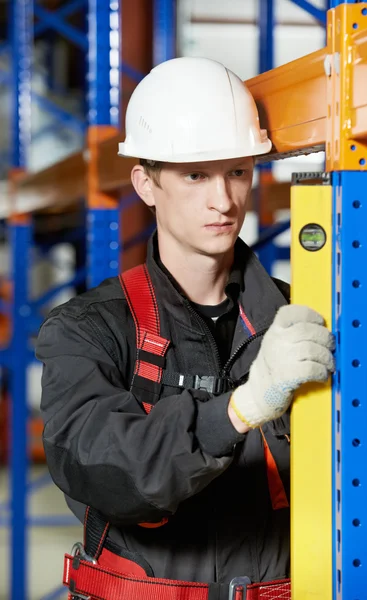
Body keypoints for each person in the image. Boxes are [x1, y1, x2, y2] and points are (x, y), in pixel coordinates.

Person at [36, 57, 335, 597]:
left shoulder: (297, 323)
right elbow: (105, 472)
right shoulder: (89, 331)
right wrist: (242, 408)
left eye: (237, 172)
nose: (223, 201)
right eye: (195, 174)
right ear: (146, 184)